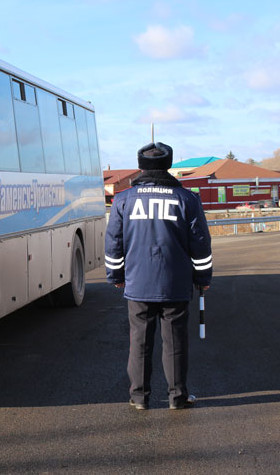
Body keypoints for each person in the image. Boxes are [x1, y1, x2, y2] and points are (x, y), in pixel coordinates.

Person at [105, 142, 212, 410]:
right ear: (169, 165)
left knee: (139, 341)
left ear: (141, 166)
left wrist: (115, 274)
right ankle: (177, 397)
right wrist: (203, 278)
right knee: (174, 341)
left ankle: (139, 398)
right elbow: (200, 244)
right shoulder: (187, 199)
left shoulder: (123, 200)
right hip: (175, 283)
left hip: (138, 282)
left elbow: (113, 242)